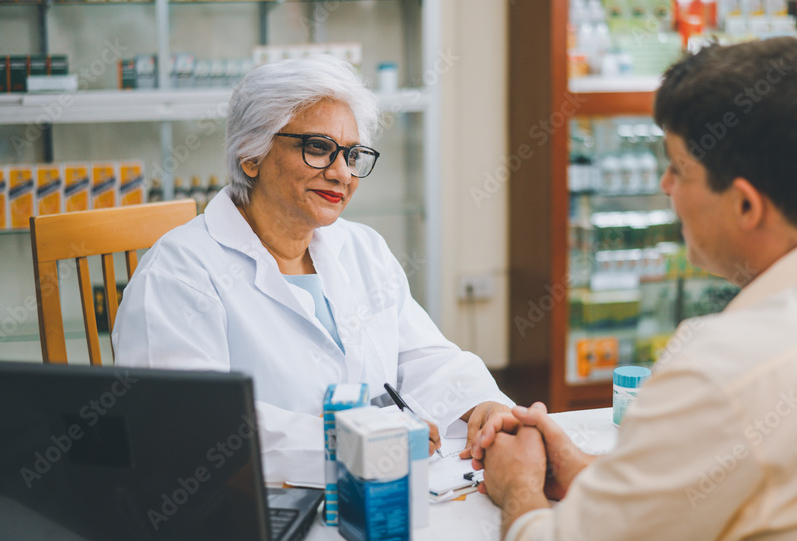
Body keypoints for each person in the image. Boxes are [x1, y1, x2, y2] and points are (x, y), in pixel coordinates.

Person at [474, 37, 797, 541]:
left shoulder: (724, 368)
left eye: (679, 170)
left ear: (746, 205)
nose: (665, 185)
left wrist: (517, 486)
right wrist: (587, 472)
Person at [112, 55, 512, 486]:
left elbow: (422, 356)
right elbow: (190, 427)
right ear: (251, 154)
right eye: (318, 148)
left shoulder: (362, 248)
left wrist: (483, 404)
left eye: (353, 154)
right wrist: (357, 441)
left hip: (371, 493)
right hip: (250, 511)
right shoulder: (178, 274)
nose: (342, 173)